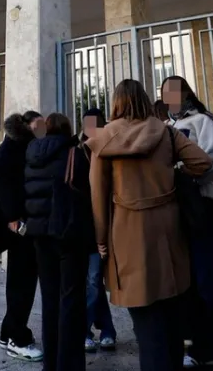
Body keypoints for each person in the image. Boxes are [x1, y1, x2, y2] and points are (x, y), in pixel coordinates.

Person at [89, 79, 212, 371]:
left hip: (126, 233)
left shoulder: (104, 138)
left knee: (145, 322)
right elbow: (202, 162)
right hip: (168, 230)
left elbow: (98, 196)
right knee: (172, 315)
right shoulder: (166, 132)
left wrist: (101, 240)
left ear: (116, 102)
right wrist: (172, 176)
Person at [160, 75, 213, 370]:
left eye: (174, 91)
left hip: (198, 208)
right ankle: (197, 346)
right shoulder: (166, 125)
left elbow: (212, 164)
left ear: (186, 93)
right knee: (185, 288)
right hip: (173, 213)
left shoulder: (203, 122)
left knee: (209, 285)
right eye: (165, 92)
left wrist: (180, 172)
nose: (169, 97)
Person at [24, 113, 92, 370]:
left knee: (50, 300)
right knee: (71, 301)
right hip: (68, 234)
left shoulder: (31, 153)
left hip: (40, 235)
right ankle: (70, 364)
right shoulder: (74, 153)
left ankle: (50, 363)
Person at [0, 111, 46, 362]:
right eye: (38, 125)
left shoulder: (18, 146)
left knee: (20, 283)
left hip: (23, 224)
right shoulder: (12, 150)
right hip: (20, 227)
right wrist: (14, 219)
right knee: (21, 285)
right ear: (26, 126)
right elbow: (3, 186)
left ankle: (7, 333)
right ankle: (17, 339)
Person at [79, 108, 116, 354]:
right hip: (86, 224)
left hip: (106, 222)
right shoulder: (77, 150)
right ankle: (98, 330)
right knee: (93, 281)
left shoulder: (110, 147)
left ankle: (95, 330)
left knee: (95, 280)